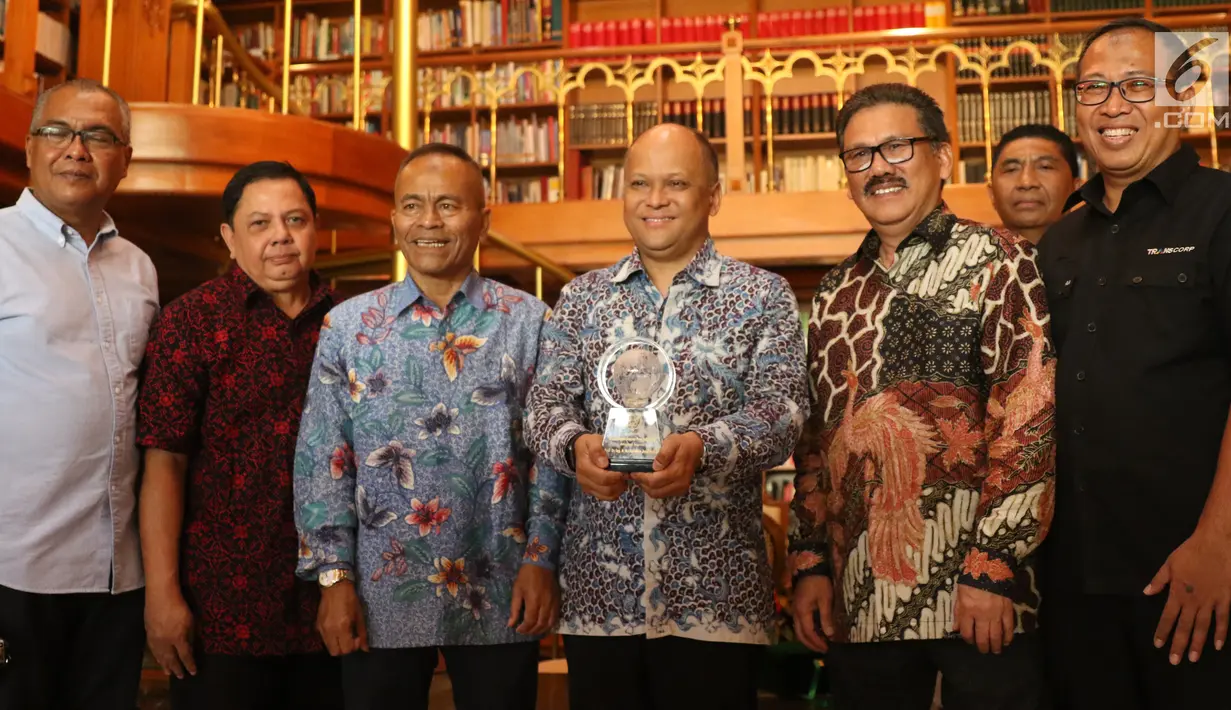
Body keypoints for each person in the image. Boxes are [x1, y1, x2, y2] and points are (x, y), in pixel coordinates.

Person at [789, 83, 1056, 710]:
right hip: (861, 603)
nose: (878, 166)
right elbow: (816, 443)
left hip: (978, 599)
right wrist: (809, 564)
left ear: (942, 155)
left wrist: (993, 564)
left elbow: (1029, 418)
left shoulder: (1000, 260)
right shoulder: (832, 294)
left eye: (897, 147)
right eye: (859, 155)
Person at [525, 123, 808, 710]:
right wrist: (576, 445)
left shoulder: (763, 295)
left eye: (676, 183)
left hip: (717, 599)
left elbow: (783, 411)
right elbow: (543, 408)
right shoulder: (582, 299)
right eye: (640, 184)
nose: (656, 199)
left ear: (713, 195)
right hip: (600, 600)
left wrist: (705, 446)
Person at [293, 143, 565, 710]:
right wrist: (333, 578)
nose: (429, 222)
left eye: (448, 205)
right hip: (378, 593)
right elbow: (324, 460)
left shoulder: (531, 321)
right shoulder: (347, 327)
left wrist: (540, 559)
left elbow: (551, 455)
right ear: (394, 222)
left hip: (502, 586)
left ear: (483, 220)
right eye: (413, 206)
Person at [1037, 18, 1231, 709]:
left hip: (1193, 578)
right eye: (1093, 86)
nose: (1111, 105)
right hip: (1073, 583)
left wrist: (1219, 545)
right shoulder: (1058, 240)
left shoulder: (1221, 211)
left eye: (1136, 85)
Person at [136, 161, 342, 709]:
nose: (281, 235)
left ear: (315, 228)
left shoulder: (351, 327)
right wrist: (162, 595)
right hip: (220, 610)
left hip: (332, 607)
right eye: (259, 223)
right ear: (229, 238)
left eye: (295, 219)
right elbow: (164, 462)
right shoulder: (192, 323)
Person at [0, 79, 158, 709]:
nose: (77, 149)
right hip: (15, 567)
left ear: (124, 159)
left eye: (98, 136)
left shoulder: (140, 268)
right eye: (59, 132)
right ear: (31, 150)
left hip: (117, 574)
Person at [988, 123, 1083, 244]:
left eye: (1045, 167)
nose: (1026, 182)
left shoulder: (1104, 257)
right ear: (991, 194)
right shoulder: (969, 259)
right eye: (1011, 169)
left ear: (1075, 189)